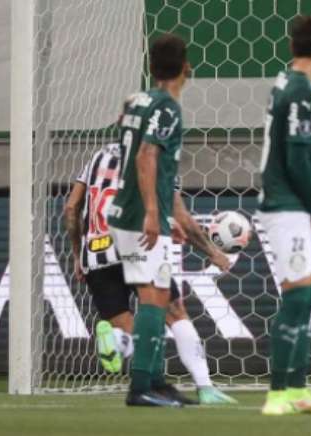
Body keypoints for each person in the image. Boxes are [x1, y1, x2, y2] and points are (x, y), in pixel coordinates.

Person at [107, 33, 229, 407]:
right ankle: (142, 386)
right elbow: (146, 155)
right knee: (155, 295)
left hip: (123, 210)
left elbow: (127, 130)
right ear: (185, 67)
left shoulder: (136, 100)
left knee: (156, 295)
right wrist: (151, 212)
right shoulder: (166, 108)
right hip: (139, 215)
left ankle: (156, 382)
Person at [65, 139, 236, 405]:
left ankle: (121, 343)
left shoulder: (99, 155)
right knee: (174, 312)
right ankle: (205, 388)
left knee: (130, 326)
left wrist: (78, 254)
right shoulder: (156, 157)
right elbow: (182, 218)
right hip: (138, 246)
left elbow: (71, 207)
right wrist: (214, 253)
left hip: (95, 253)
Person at [255, 16, 311, 415]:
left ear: (293, 47)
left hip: (294, 203)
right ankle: (278, 393)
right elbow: (296, 158)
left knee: (304, 295)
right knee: (298, 292)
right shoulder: (303, 92)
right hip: (288, 205)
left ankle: (297, 390)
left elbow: (306, 155)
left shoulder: (286, 84)